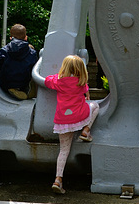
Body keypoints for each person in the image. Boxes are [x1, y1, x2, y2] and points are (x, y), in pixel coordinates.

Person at [37, 54, 99, 194]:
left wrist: (56, 76)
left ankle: (58, 179)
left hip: (63, 120)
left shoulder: (59, 82)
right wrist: (87, 93)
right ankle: (86, 130)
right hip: (79, 116)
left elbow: (47, 81)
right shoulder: (80, 82)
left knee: (64, 150)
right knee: (95, 106)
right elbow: (86, 89)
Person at [0, 24, 37, 100]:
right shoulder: (32, 53)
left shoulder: (4, 50)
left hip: (5, 84)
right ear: (26, 38)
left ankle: (11, 88)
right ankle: (26, 90)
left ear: (11, 38)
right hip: (23, 84)